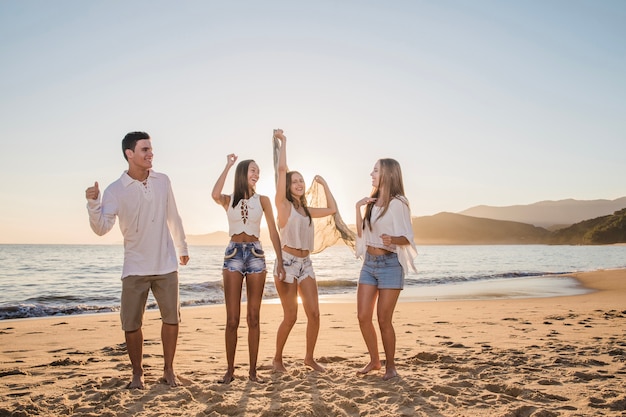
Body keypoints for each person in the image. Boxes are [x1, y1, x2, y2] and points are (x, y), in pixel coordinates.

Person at [85, 131, 190, 389]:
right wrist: (92, 204)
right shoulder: (115, 190)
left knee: (172, 319)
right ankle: (137, 373)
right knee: (131, 324)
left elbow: (173, 216)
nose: (150, 153)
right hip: (134, 267)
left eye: (151, 149)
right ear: (129, 154)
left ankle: (168, 370)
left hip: (166, 263)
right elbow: (102, 228)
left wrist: (182, 246)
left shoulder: (163, 181)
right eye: (145, 149)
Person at [211, 153, 285, 383]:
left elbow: (273, 230)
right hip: (233, 254)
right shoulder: (229, 199)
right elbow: (214, 193)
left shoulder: (263, 200)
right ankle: (230, 371)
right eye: (252, 170)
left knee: (253, 317)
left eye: (258, 170)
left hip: (255, 255)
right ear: (243, 173)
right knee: (232, 319)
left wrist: (280, 260)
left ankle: (253, 373)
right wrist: (228, 165)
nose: (256, 173)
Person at [271, 129, 338, 373]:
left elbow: (332, 209)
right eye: (294, 181)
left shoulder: (307, 211)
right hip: (287, 263)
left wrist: (324, 183)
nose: (299, 184)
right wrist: (284, 142)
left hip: (306, 263)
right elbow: (281, 171)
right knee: (291, 316)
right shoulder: (283, 205)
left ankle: (309, 358)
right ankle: (277, 359)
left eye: (301, 180)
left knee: (315, 314)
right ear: (288, 187)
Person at [355, 158, 417, 381]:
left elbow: (408, 237)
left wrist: (393, 239)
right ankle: (374, 361)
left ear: (389, 174)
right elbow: (362, 232)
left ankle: (391, 366)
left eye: (375, 170)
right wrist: (357, 207)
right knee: (363, 316)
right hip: (369, 265)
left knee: (383, 319)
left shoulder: (399, 202)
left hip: (390, 265)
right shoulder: (372, 201)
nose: (371, 174)